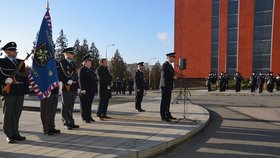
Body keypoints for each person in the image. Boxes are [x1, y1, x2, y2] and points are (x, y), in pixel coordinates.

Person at [0, 42, 29, 143]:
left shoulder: (20, 62)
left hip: (19, 91)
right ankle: (9, 134)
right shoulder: (1, 62)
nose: (15, 52)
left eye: (15, 50)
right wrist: (5, 81)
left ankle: (16, 133)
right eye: (12, 50)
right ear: (6, 51)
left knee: (17, 113)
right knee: (8, 114)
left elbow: (25, 77)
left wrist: (26, 91)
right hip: (9, 92)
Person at [59, 47, 79, 130]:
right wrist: (67, 81)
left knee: (71, 105)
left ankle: (71, 122)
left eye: (73, 53)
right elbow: (60, 75)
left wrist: (76, 84)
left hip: (73, 87)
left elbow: (75, 75)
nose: (73, 55)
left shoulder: (73, 63)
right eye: (71, 53)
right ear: (66, 54)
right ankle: (66, 122)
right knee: (65, 105)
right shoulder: (62, 63)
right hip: (66, 87)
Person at [40, 61, 61, 135]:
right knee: (45, 110)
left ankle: (51, 127)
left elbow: (59, 75)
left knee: (52, 110)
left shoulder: (57, 63)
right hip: (46, 90)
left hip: (55, 90)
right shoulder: (42, 62)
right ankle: (46, 128)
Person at [78, 56, 97, 123]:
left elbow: (94, 79)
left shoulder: (91, 69)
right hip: (85, 90)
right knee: (84, 105)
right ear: (85, 63)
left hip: (91, 90)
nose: (90, 63)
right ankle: (85, 118)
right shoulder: (82, 69)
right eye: (89, 62)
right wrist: (82, 89)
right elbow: (81, 80)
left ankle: (89, 116)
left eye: (90, 62)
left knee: (89, 104)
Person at [160, 52, 177, 122]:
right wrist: (173, 77)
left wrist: (173, 77)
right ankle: (163, 116)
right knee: (164, 101)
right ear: (169, 57)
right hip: (165, 86)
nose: (174, 58)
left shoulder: (169, 65)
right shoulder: (165, 65)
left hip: (168, 86)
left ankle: (168, 114)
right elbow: (164, 76)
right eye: (173, 57)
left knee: (168, 101)